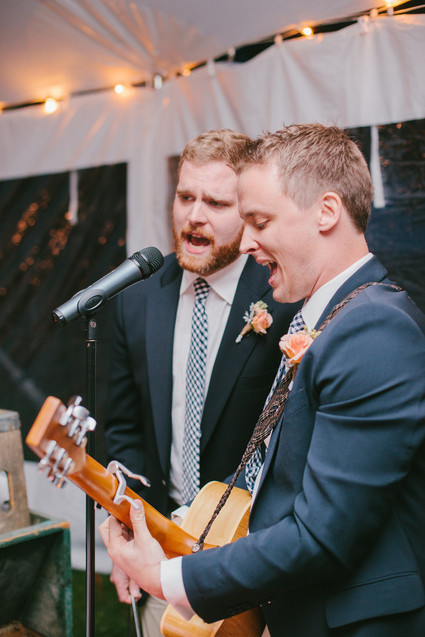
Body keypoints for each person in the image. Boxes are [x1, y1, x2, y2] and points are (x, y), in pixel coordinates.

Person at [100, 123, 425, 637]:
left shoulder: (374, 329)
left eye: (260, 221)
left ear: (326, 212)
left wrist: (167, 576)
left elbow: (322, 535)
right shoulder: (334, 316)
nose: (247, 242)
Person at [103, 129, 299, 635]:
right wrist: (133, 535)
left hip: (256, 560)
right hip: (164, 552)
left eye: (216, 203)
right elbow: (124, 429)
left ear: (249, 213)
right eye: (185, 196)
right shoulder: (138, 296)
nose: (194, 215)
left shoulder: (283, 295)